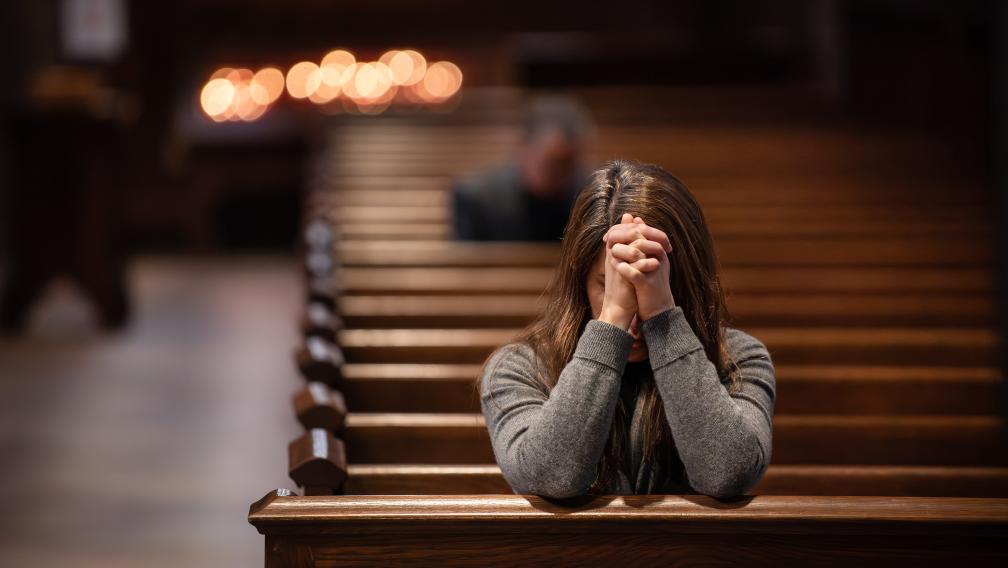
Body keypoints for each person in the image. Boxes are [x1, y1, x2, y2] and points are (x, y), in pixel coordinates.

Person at [477, 159, 775, 499]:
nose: (635, 318)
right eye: (609, 284)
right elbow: (549, 477)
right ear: (580, 283)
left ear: (687, 283)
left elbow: (728, 473)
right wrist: (612, 318)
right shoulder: (518, 368)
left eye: (653, 283)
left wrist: (662, 315)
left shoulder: (740, 358)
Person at [451, 97, 592, 241]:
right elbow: (466, 261)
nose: (563, 175)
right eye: (554, 164)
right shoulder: (476, 198)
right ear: (523, 147)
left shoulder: (593, 194)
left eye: (569, 165)